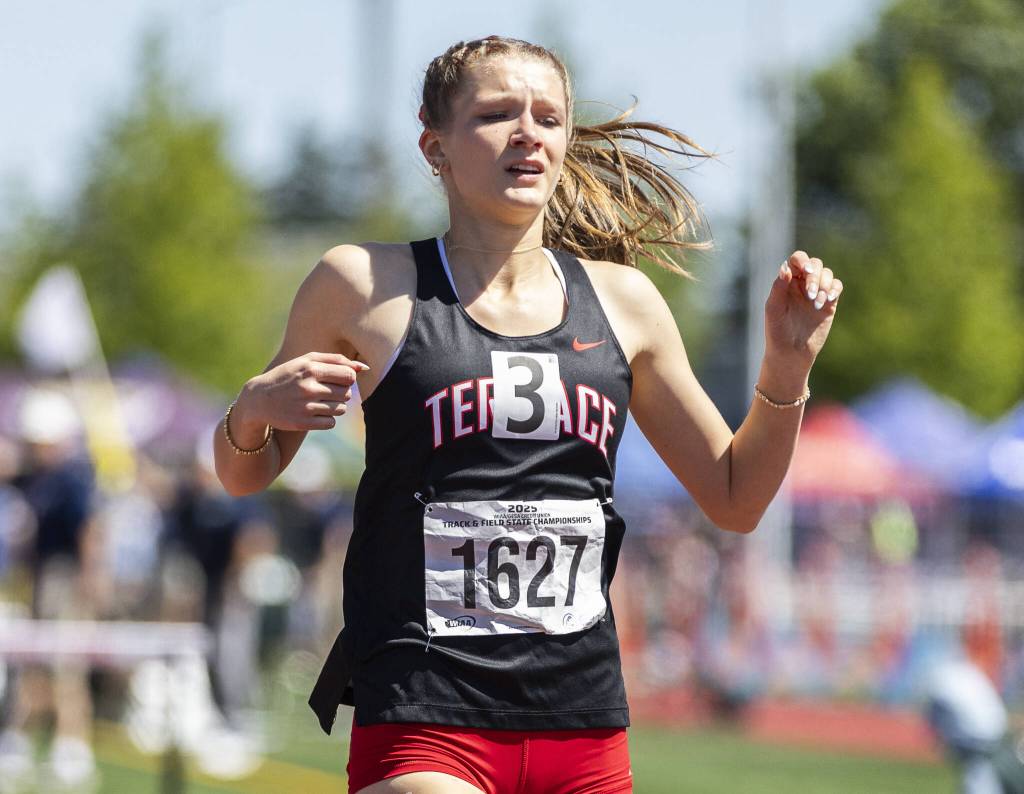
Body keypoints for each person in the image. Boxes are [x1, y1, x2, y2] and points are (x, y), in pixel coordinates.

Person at [213, 35, 843, 794]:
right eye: (496, 114)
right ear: (434, 144)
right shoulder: (362, 284)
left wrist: (786, 367)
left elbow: (736, 499)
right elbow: (243, 474)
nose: (527, 133)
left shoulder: (625, 302)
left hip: (581, 718)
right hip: (425, 709)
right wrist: (252, 412)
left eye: (547, 117)